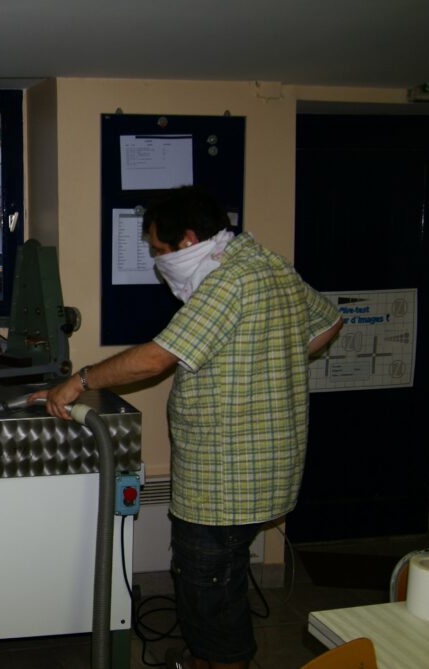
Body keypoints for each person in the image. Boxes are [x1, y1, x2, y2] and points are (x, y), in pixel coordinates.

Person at [31, 186, 341, 669]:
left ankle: (224, 661)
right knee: (225, 576)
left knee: (207, 584)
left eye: (158, 249)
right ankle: (209, 657)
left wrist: (79, 381)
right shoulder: (268, 263)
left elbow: (156, 358)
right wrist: (267, 358)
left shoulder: (228, 282)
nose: (156, 261)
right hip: (263, 469)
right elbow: (327, 324)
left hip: (226, 479)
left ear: (188, 240)